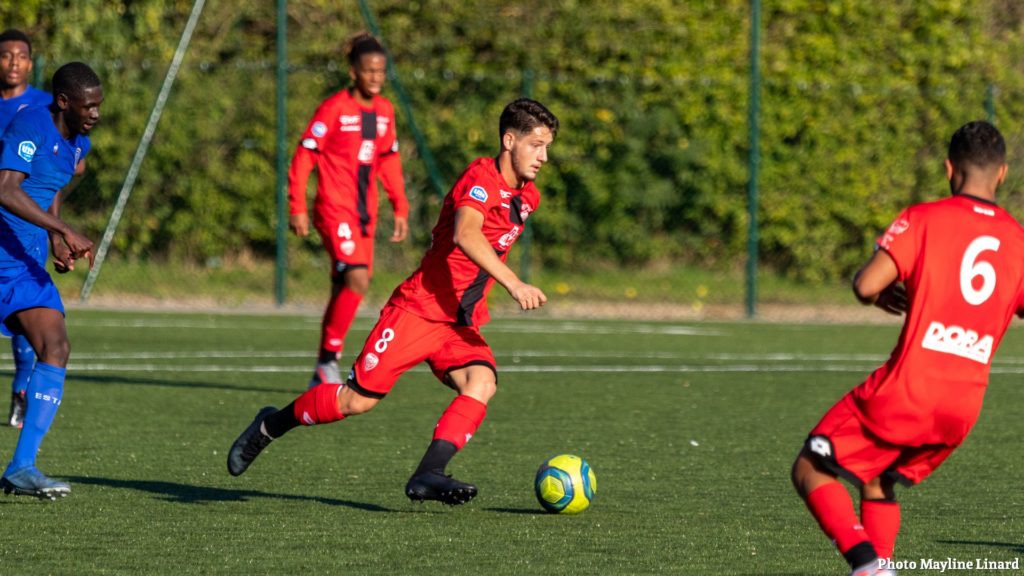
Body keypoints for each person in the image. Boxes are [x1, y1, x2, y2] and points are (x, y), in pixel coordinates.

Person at [229, 98, 559, 505]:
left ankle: (428, 474)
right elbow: (466, 234)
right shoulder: (480, 179)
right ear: (509, 141)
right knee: (356, 401)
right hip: (417, 310)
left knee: (482, 382)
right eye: (536, 145)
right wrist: (514, 284)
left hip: (457, 322)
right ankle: (269, 426)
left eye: (547, 147)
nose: (543, 157)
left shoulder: (528, 197)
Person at [791, 121, 1024, 576]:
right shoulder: (1018, 241)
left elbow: (866, 285)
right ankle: (880, 567)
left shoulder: (924, 218)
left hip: (908, 391)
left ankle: (868, 565)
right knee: (877, 479)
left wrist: (880, 292)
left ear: (949, 169)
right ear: (1002, 174)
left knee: (810, 467)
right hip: (962, 407)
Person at [0, 61, 101, 499]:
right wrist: (62, 229)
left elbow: (50, 185)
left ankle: (22, 466)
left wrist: (56, 238)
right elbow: (6, 188)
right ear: (63, 102)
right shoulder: (31, 124)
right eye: (88, 105)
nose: (95, 113)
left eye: (98, 105)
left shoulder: (79, 143)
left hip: (24, 263)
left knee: (56, 347)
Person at [288, 32, 409, 388]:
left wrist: (400, 206)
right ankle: (329, 361)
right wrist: (297, 205)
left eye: (381, 71)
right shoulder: (334, 109)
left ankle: (322, 367)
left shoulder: (384, 112)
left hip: (364, 214)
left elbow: (389, 161)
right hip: (334, 209)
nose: (376, 77)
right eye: (369, 70)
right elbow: (305, 155)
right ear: (353, 71)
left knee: (344, 285)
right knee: (358, 278)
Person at [0, 29, 53, 429]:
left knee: (24, 306)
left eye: (21, 56)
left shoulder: (44, 106)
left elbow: (63, 165)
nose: (13, 62)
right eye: (6, 55)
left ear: (31, 63)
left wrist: (54, 229)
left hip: (23, 226)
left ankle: (21, 387)